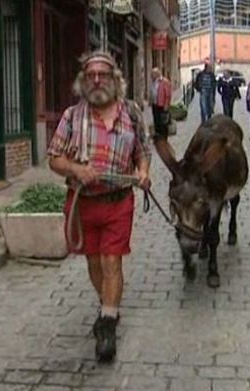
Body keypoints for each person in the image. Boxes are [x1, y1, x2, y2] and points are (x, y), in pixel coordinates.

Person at [47, 51, 151, 361]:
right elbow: (54, 158)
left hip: (118, 202)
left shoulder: (131, 113)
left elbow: (142, 152)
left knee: (111, 262)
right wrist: (78, 170)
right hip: (83, 203)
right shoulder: (71, 116)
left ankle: (107, 324)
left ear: (115, 79)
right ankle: (109, 304)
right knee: (94, 263)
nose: (96, 80)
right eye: (90, 75)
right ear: (83, 81)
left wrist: (144, 173)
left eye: (102, 75)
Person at [149, 67, 172, 152]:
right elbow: (152, 91)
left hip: (162, 104)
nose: (151, 76)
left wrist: (167, 104)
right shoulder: (153, 82)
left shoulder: (164, 81)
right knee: (156, 122)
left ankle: (164, 139)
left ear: (157, 74)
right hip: (155, 104)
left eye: (153, 74)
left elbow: (168, 94)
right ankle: (158, 139)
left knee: (163, 122)